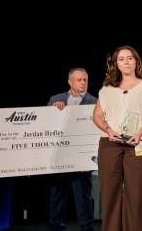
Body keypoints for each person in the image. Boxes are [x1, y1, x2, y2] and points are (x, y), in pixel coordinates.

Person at [92, 45, 142, 231]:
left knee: (136, 193)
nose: (126, 62)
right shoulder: (106, 89)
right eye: (121, 59)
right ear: (116, 64)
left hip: (138, 142)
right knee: (109, 191)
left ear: (136, 61)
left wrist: (140, 132)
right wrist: (107, 130)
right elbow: (97, 115)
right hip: (110, 143)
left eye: (130, 58)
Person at [47, 68, 96, 231]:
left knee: (83, 196)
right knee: (57, 194)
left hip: (81, 157)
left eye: (85, 80)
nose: (83, 83)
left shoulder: (94, 102)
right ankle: (56, 226)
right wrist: (52, 111)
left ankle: (86, 227)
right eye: (79, 80)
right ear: (70, 82)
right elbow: (45, 124)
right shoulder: (56, 99)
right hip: (60, 155)